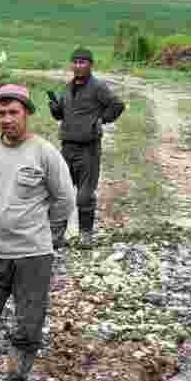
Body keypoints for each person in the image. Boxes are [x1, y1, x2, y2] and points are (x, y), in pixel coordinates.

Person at [0, 84, 75, 381]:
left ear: (27, 114)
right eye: (1, 113)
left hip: (32, 256)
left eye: (13, 112)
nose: (7, 119)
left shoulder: (44, 153)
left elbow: (65, 199)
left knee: (28, 326)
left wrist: (41, 228)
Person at [48, 47, 125, 248]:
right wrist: (55, 107)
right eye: (75, 62)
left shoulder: (98, 87)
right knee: (62, 192)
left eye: (83, 62)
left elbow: (117, 105)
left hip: (88, 148)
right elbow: (59, 115)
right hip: (67, 146)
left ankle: (85, 235)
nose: (78, 65)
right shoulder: (67, 88)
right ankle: (56, 236)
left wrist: (102, 120)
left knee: (84, 194)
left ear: (90, 64)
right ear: (71, 64)